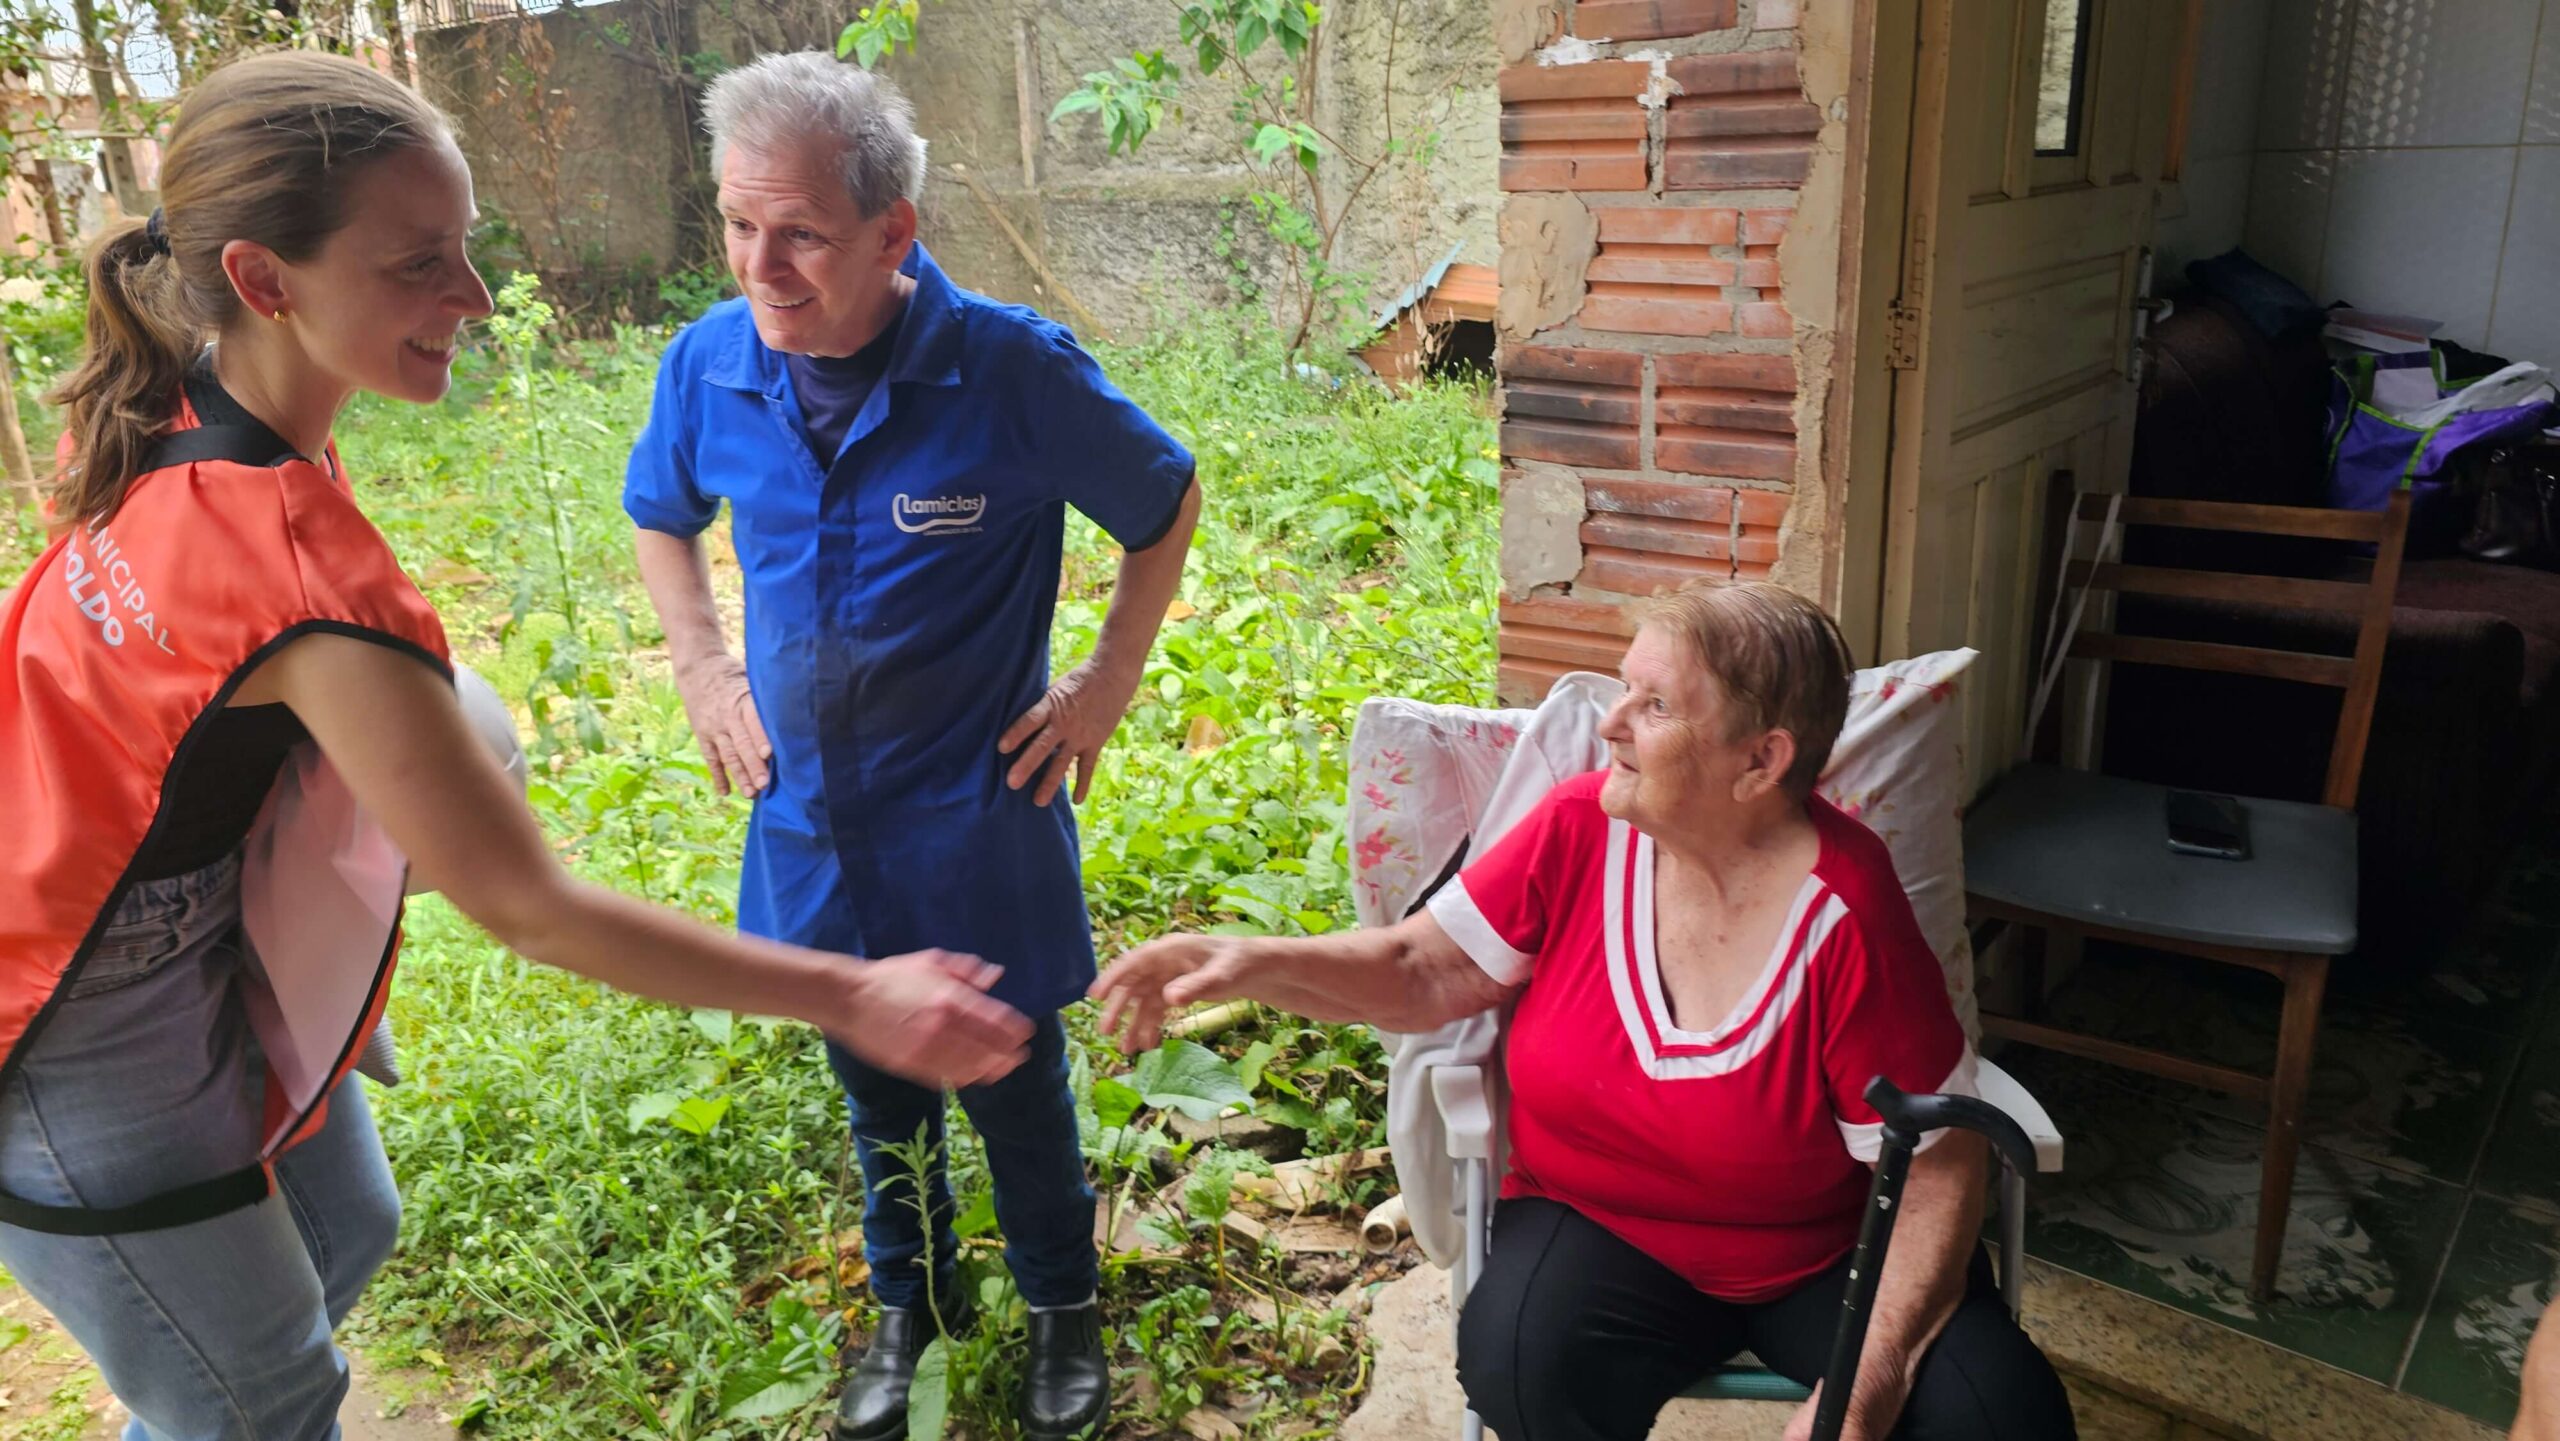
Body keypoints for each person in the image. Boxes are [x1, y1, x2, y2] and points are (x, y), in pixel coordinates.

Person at [0, 52, 1032, 1441]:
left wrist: (306, 942)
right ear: (264, 279)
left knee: (343, 1227)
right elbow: (531, 910)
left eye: (468, 249)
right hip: (66, 1011)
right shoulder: (305, 575)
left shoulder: (189, 399)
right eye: (421, 264)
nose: (476, 300)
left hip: (157, 916)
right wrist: (852, 996)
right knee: (263, 1393)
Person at [1095, 583, 2077, 1441]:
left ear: (1760, 759)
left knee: (1996, 1413)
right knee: (1520, 1357)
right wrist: (1240, 960)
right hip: (1600, 1222)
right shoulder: (1577, 827)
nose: (1609, 722)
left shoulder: (1846, 907)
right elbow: (1421, 969)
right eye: (1623, 689)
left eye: (1653, 705)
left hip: (1817, 1253)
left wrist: (1859, 1395)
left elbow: (1939, 1164)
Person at [621, 52, 1201, 1441]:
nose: (763, 265)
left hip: (972, 810)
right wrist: (701, 663)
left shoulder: (1008, 369)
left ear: (896, 233)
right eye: (738, 225)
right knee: (872, 1073)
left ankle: (1064, 1309)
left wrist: (1106, 680)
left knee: (1007, 1076)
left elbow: (1163, 500)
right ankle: (911, 1304)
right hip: (810, 814)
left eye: (803, 232)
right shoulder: (710, 362)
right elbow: (662, 513)